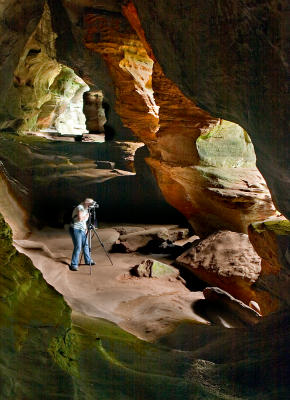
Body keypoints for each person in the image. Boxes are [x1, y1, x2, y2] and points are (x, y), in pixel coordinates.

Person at [69, 198, 96, 271]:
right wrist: (87, 216)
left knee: (86, 245)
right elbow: (80, 219)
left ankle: (88, 260)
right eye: (91, 203)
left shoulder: (86, 209)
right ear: (87, 203)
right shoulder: (80, 207)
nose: (92, 205)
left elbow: (83, 222)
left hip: (82, 229)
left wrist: (86, 229)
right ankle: (74, 264)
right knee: (78, 246)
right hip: (75, 229)